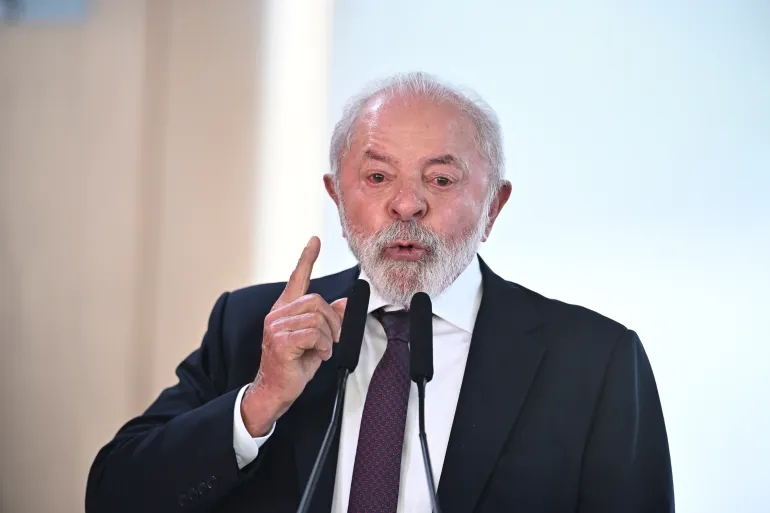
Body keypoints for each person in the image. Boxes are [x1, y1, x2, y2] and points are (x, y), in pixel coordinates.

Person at [85, 72, 674, 513]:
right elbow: (114, 497)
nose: (407, 204)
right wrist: (259, 401)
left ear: (494, 206)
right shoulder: (253, 326)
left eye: (440, 179)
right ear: (337, 198)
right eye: (377, 177)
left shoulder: (592, 360)